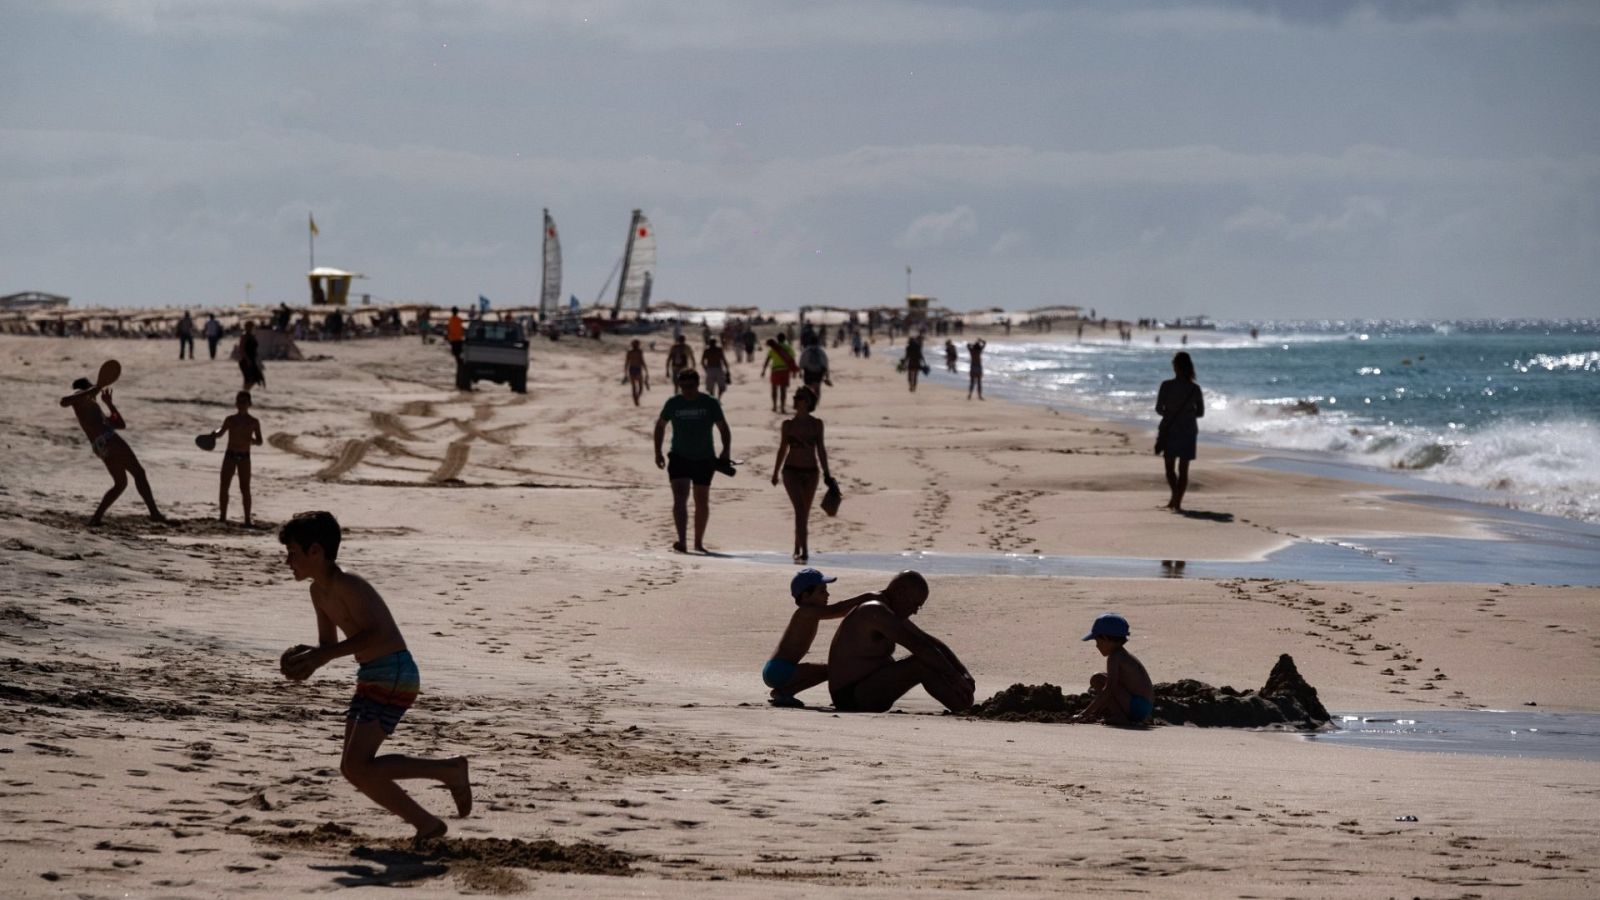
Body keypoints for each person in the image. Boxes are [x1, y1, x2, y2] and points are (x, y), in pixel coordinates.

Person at [276, 511, 472, 846]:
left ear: (316, 551)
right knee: (353, 768)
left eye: (292, 552)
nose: (287, 560)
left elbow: (377, 634)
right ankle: (430, 812)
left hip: (395, 672)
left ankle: (446, 778)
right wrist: (308, 658)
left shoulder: (348, 583)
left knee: (358, 765)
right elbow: (329, 646)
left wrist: (322, 657)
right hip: (372, 675)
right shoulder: (318, 593)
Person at [826, 571, 976, 713]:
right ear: (900, 592)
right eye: (915, 605)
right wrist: (955, 678)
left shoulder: (890, 610)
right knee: (921, 664)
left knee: (932, 659)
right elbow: (919, 647)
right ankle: (964, 708)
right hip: (851, 696)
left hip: (867, 688)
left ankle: (964, 702)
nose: (915, 611)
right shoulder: (875, 610)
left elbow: (929, 642)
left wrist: (963, 673)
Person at [60, 377, 165, 526]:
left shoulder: (93, 407)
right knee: (139, 473)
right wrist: (89, 391)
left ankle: (96, 518)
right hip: (109, 441)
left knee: (120, 483)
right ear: (86, 386)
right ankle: (154, 513)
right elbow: (64, 401)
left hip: (101, 446)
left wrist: (110, 404)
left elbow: (120, 424)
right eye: (91, 386)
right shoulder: (80, 395)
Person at [762, 568, 871, 707]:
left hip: (777, 669)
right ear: (806, 596)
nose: (827, 594)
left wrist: (864, 607)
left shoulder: (810, 613)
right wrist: (865, 598)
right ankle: (786, 693)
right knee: (830, 670)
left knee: (826, 672)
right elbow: (836, 609)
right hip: (779, 669)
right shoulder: (806, 612)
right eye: (822, 591)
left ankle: (784, 692)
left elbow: (841, 611)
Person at [653, 370, 732, 553]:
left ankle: (698, 542)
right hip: (679, 456)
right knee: (680, 498)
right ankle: (682, 540)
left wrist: (726, 450)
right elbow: (660, 426)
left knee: (701, 500)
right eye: (683, 386)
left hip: (704, 458)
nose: (687, 390)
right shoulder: (673, 403)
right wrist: (657, 451)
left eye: (691, 386)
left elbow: (723, 428)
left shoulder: (710, 403)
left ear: (698, 384)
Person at [771, 386, 831, 563]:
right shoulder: (788, 425)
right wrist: (775, 472)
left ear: (808, 402)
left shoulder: (816, 424)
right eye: (796, 397)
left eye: (800, 398)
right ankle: (804, 551)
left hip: (811, 472)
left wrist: (828, 474)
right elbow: (782, 449)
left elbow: (821, 449)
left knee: (804, 512)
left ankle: (797, 546)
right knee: (799, 510)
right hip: (791, 471)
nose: (796, 400)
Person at [1072, 613, 1154, 726]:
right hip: (1144, 707)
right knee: (1101, 677)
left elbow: (1109, 688)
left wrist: (1085, 714)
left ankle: (1119, 716)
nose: (1096, 646)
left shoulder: (1115, 657)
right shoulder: (1123, 655)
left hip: (1136, 706)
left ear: (1105, 638)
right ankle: (1117, 714)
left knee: (1097, 679)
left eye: (1097, 641)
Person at [1155, 351, 1204, 513]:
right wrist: (1186, 415)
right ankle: (1177, 502)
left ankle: (1174, 499)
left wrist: (1170, 414)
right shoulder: (1195, 389)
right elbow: (1200, 413)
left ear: (1175, 366)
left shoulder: (1166, 385)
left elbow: (1158, 409)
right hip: (1189, 430)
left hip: (1170, 429)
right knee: (1184, 469)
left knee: (1169, 468)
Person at [208, 390, 263, 525]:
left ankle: (247, 519)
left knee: (245, 488)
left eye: (244, 402)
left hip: (244, 457)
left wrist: (251, 440)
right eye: (239, 401)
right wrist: (213, 434)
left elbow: (260, 441)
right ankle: (222, 517)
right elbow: (220, 433)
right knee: (224, 486)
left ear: (249, 404)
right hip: (230, 456)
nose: (241, 404)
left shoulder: (253, 422)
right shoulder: (230, 420)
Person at [760, 337, 795, 413]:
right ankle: (782, 407)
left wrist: (763, 371)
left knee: (774, 389)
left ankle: (774, 406)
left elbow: (767, 360)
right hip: (785, 371)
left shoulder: (773, 349)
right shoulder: (788, 348)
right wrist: (794, 371)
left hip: (775, 371)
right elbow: (792, 359)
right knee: (783, 390)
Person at [797, 339, 831, 405]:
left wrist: (800, 372)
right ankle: (816, 402)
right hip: (818, 372)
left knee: (808, 388)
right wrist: (827, 376)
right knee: (817, 388)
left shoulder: (806, 350)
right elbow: (825, 363)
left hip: (808, 372)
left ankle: (809, 401)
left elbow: (801, 362)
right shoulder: (821, 351)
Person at [239, 321, 266, 390]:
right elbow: (242, 349)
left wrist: (258, 360)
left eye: (252, 326)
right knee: (250, 379)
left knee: (255, 378)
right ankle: (245, 392)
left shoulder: (252, 336)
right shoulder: (245, 336)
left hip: (253, 359)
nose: (251, 328)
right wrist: (247, 360)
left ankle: (245, 392)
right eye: (249, 326)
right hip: (246, 360)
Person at [624, 339, 649, 406]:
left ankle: (636, 399)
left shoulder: (636, 352)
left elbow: (641, 361)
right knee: (636, 387)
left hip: (634, 369)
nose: (637, 345)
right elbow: (627, 362)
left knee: (637, 387)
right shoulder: (633, 352)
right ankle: (636, 400)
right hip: (635, 369)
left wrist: (646, 370)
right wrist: (646, 370)